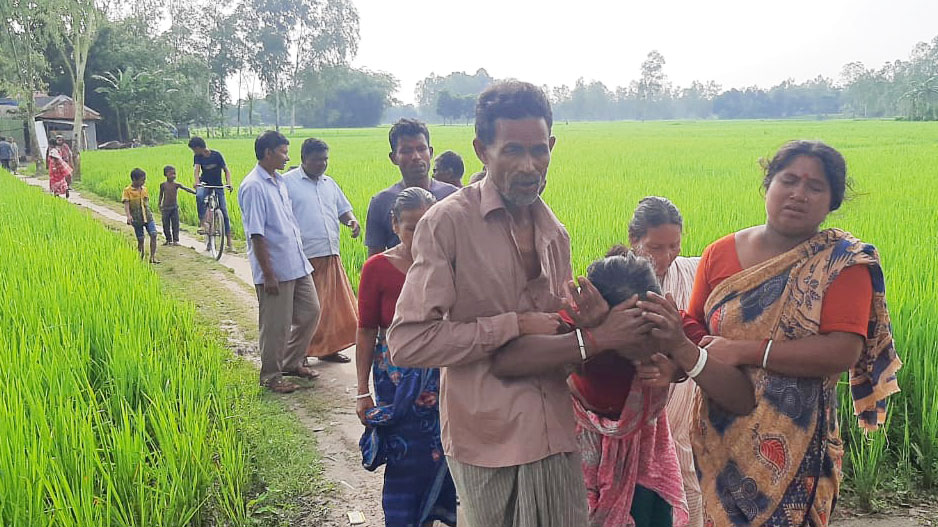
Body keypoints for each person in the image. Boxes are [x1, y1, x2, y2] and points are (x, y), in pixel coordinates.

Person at [387, 81, 647, 527]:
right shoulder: (447, 224)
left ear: (552, 146)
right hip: (486, 436)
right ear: (482, 150)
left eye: (538, 150)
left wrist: (587, 327)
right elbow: (408, 343)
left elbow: (558, 337)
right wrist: (512, 325)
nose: (528, 166)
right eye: (511, 150)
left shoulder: (556, 235)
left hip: (555, 431)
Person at [639, 140, 902, 527]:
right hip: (719, 437)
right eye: (789, 179)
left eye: (815, 187)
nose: (799, 193)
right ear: (769, 184)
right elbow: (697, 330)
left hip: (800, 446)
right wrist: (674, 369)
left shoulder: (843, 263)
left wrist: (746, 350)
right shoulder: (720, 254)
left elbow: (842, 351)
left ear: (832, 201)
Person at [356, 188, 457, 527]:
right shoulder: (377, 269)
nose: (421, 234)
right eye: (412, 226)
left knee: (444, 452)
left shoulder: (450, 265)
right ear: (395, 225)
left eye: (429, 224)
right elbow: (367, 330)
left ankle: (433, 517)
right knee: (405, 457)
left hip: (445, 377)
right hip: (397, 382)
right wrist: (361, 391)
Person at [611, 196, 703, 527]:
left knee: (685, 475)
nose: (665, 257)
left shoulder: (693, 273)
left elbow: (699, 334)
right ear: (634, 239)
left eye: (674, 246)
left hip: (680, 406)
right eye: (655, 247)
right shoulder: (615, 279)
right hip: (628, 410)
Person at [239, 131, 322, 393]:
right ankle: (271, 376)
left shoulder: (278, 181)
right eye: (284, 152)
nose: (287, 157)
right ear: (268, 153)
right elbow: (256, 234)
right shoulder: (253, 186)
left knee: (311, 312)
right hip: (274, 268)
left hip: (296, 262)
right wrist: (268, 274)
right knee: (276, 325)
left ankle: (291, 361)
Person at [284, 138, 361, 364]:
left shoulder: (329, 183)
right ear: (304, 159)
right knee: (307, 310)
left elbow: (343, 209)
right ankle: (301, 352)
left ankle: (329, 348)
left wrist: (352, 221)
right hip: (304, 256)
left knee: (332, 309)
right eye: (317, 160)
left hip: (330, 253)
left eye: (325, 159)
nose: (322, 164)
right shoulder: (287, 183)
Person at [364, 119, 458, 257]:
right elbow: (375, 260)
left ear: (430, 152)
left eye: (421, 149)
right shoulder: (381, 202)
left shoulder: (453, 196)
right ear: (393, 157)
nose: (416, 157)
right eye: (407, 151)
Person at [189, 136, 234, 250]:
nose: (194, 152)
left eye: (194, 149)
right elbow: (197, 170)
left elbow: (226, 170)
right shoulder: (198, 157)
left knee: (224, 211)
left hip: (218, 184)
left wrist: (229, 183)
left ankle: (229, 242)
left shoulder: (216, 155)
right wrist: (197, 182)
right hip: (205, 183)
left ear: (198, 147)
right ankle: (203, 222)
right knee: (199, 195)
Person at [122, 168, 159, 263]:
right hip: (136, 217)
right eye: (142, 180)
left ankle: (152, 257)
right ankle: (141, 257)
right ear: (134, 179)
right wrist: (128, 216)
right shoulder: (127, 191)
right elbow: (126, 204)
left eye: (144, 179)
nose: (143, 181)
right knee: (141, 239)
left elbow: (146, 202)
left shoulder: (144, 189)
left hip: (148, 216)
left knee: (154, 234)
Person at [158, 165, 196, 246]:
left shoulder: (176, 184)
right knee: (166, 225)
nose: (173, 176)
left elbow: (186, 189)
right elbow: (161, 195)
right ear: (165, 174)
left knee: (175, 224)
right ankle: (168, 240)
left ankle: (175, 240)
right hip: (165, 208)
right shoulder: (163, 185)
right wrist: (159, 204)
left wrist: (196, 193)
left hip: (174, 207)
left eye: (174, 174)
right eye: (171, 174)